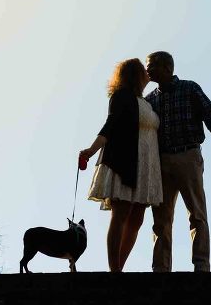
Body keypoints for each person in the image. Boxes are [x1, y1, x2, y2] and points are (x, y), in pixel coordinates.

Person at [144, 51, 211, 272]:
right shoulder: (149, 100)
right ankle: (160, 269)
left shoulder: (189, 88)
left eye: (152, 66)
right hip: (161, 161)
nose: (148, 70)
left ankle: (201, 266)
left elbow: (210, 113)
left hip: (188, 157)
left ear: (167, 67)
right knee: (160, 220)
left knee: (197, 214)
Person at [79, 58, 162, 272]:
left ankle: (119, 268)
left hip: (146, 166)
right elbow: (110, 125)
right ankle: (114, 270)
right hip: (127, 162)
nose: (148, 74)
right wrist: (91, 150)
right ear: (135, 75)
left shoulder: (147, 102)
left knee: (136, 220)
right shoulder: (121, 96)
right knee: (121, 215)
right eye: (144, 71)